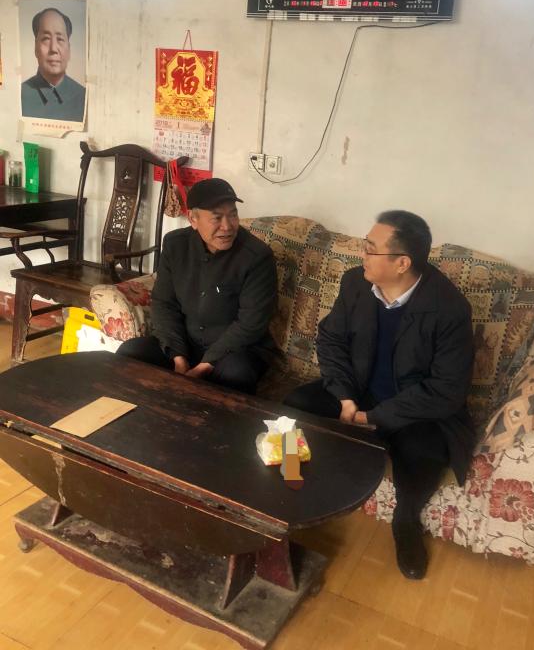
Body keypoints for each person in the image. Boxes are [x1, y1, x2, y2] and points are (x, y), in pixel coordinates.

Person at [284, 210, 475, 579]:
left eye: (371, 249)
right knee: (295, 407)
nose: (363, 255)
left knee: (424, 448)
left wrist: (373, 418)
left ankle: (406, 519)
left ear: (402, 263)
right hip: (357, 391)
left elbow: (446, 389)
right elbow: (331, 340)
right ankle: (292, 484)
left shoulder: (449, 308)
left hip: (414, 408)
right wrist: (346, 399)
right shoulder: (356, 283)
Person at [117, 178, 278, 395]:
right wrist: (178, 357)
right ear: (193, 219)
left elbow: (251, 323)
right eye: (217, 218)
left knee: (236, 374)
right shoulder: (175, 244)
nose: (227, 226)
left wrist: (204, 366)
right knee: (132, 352)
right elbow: (164, 303)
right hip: (185, 343)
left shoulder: (257, 256)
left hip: (235, 350)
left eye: (233, 215)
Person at [21, 7, 86, 122]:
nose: (53, 49)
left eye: (60, 39)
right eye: (46, 39)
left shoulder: (83, 96)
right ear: (36, 47)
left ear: (69, 49)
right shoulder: (20, 94)